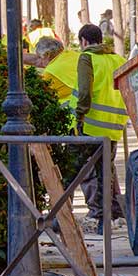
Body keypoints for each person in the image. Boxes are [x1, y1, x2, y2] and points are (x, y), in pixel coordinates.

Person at [76, 24, 127, 231]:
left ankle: (98, 216)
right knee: (106, 170)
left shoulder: (86, 58)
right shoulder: (117, 59)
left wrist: (79, 115)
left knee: (80, 168)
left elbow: (85, 92)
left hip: (92, 124)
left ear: (84, 41)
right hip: (115, 123)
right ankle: (112, 213)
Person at [34, 37, 80, 117]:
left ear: (47, 55)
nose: (40, 62)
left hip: (71, 115)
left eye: (40, 57)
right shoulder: (74, 55)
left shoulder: (51, 72)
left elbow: (40, 95)